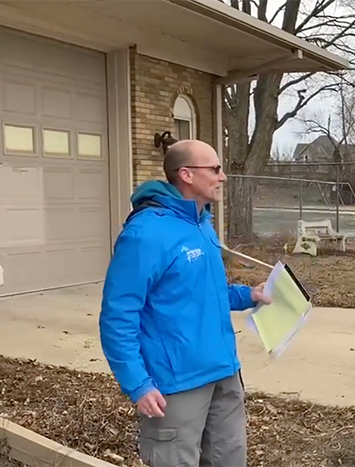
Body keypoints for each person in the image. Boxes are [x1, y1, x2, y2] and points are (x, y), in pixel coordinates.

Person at [99, 139, 271, 467]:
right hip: (175, 385)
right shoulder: (146, 234)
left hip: (224, 372)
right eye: (215, 169)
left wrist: (249, 295)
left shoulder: (202, 224)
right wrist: (138, 384)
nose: (223, 177)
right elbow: (118, 317)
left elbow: (206, 292)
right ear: (187, 175)